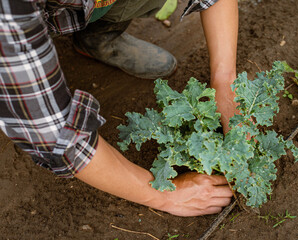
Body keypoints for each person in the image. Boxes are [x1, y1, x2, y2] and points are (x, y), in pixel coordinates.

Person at [0, 0, 238, 217]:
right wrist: (163, 195)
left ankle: (98, 37)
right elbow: (52, 131)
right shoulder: (9, 13)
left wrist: (225, 81)